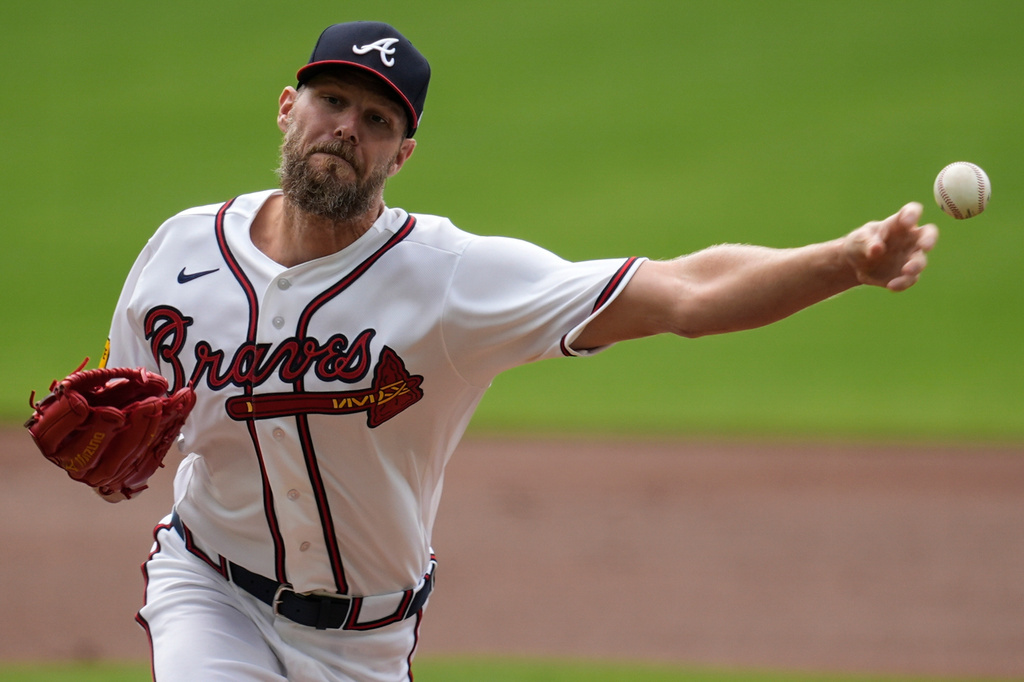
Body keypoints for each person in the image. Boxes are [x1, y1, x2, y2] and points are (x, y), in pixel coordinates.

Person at [100, 20, 937, 682]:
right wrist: (112, 463)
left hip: (368, 640)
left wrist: (845, 262)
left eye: (377, 118)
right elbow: (126, 418)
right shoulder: (181, 254)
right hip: (209, 590)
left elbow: (684, 292)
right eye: (332, 102)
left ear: (403, 152)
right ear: (289, 107)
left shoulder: (450, 279)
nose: (347, 128)